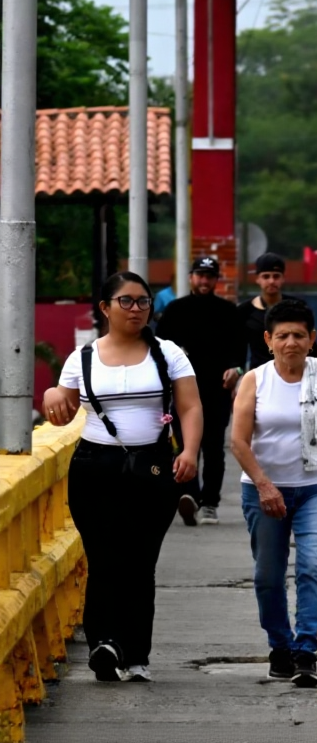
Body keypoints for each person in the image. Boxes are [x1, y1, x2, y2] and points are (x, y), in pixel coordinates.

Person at [42, 272, 202, 683]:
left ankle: (135, 654)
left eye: (143, 302)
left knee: (140, 562)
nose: (136, 309)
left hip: (152, 466)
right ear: (105, 308)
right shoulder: (84, 358)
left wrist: (188, 451)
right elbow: (64, 401)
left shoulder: (168, 355)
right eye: (126, 301)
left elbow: (189, 406)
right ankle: (104, 644)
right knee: (104, 558)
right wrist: (50, 396)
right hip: (95, 467)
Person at [230, 299, 317, 687]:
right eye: (283, 336)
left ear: (312, 339)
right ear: (269, 340)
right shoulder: (255, 381)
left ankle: (305, 650)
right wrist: (264, 484)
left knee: (311, 566)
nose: (291, 343)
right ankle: (280, 645)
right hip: (263, 491)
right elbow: (238, 442)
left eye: (299, 335)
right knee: (268, 576)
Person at [156, 256, 246, 525]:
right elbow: (158, 348)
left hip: (216, 392)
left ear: (216, 279)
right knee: (184, 446)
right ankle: (189, 496)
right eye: (199, 275)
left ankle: (210, 503)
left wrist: (236, 370)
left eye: (209, 276)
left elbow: (239, 351)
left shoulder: (229, 311)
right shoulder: (174, 310)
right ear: (191, 278)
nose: (204, 281)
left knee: (214, 448)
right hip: (182, 393)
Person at [238, 252, 317, 371]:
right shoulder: (244, 310)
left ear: (283, 278)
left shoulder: (297, 306)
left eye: (276, 276)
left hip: (295, 373)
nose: (271, 281)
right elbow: (239, 347)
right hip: (260, 375)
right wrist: (237, 370)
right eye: (266, 276)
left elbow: (310, 343)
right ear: (257, 279)